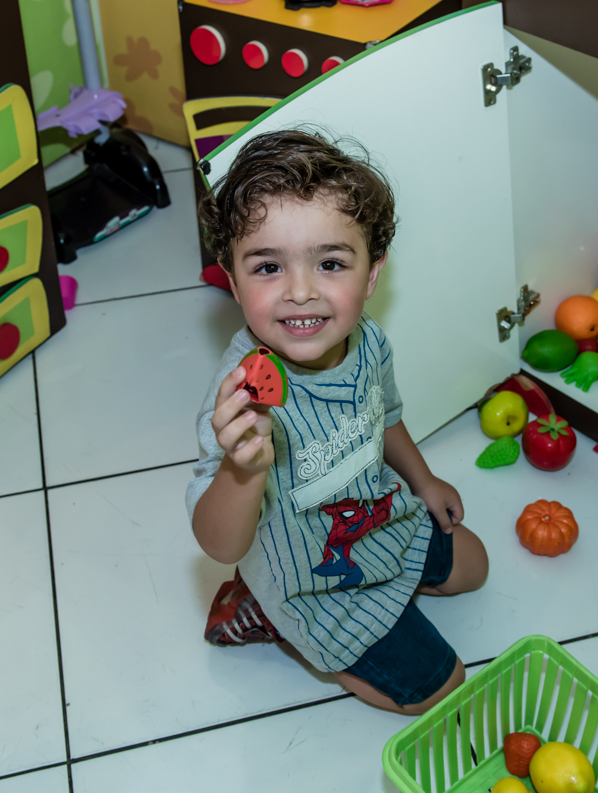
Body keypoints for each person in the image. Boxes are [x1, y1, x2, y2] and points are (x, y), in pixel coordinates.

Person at [186, 129, 488, 715]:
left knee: (474, 565)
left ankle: (383, 590)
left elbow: (386, 417)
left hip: (378, 521)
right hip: (310, 580)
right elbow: (218, 542)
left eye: (329, 263)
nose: (301, 292)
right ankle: (275, 617)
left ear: (371, 275)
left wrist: (422, 483)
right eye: (268, 266)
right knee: (441, 689)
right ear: (232, 279)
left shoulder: (368, 340)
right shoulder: (243, 398)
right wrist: (241, 471)